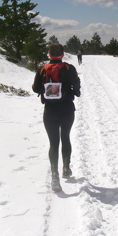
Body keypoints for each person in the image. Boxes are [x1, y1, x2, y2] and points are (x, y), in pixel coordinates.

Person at [32, 44, 81, 192]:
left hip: (50, 112)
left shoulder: (42, 69)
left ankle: (54, 175)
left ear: (49, 54)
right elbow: (76, 85)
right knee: (65, 138)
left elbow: (35, 88)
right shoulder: (69, 68)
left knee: (53, 143)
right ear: (62, 54)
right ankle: (66, 168)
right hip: (67, 109)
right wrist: (75, 92)